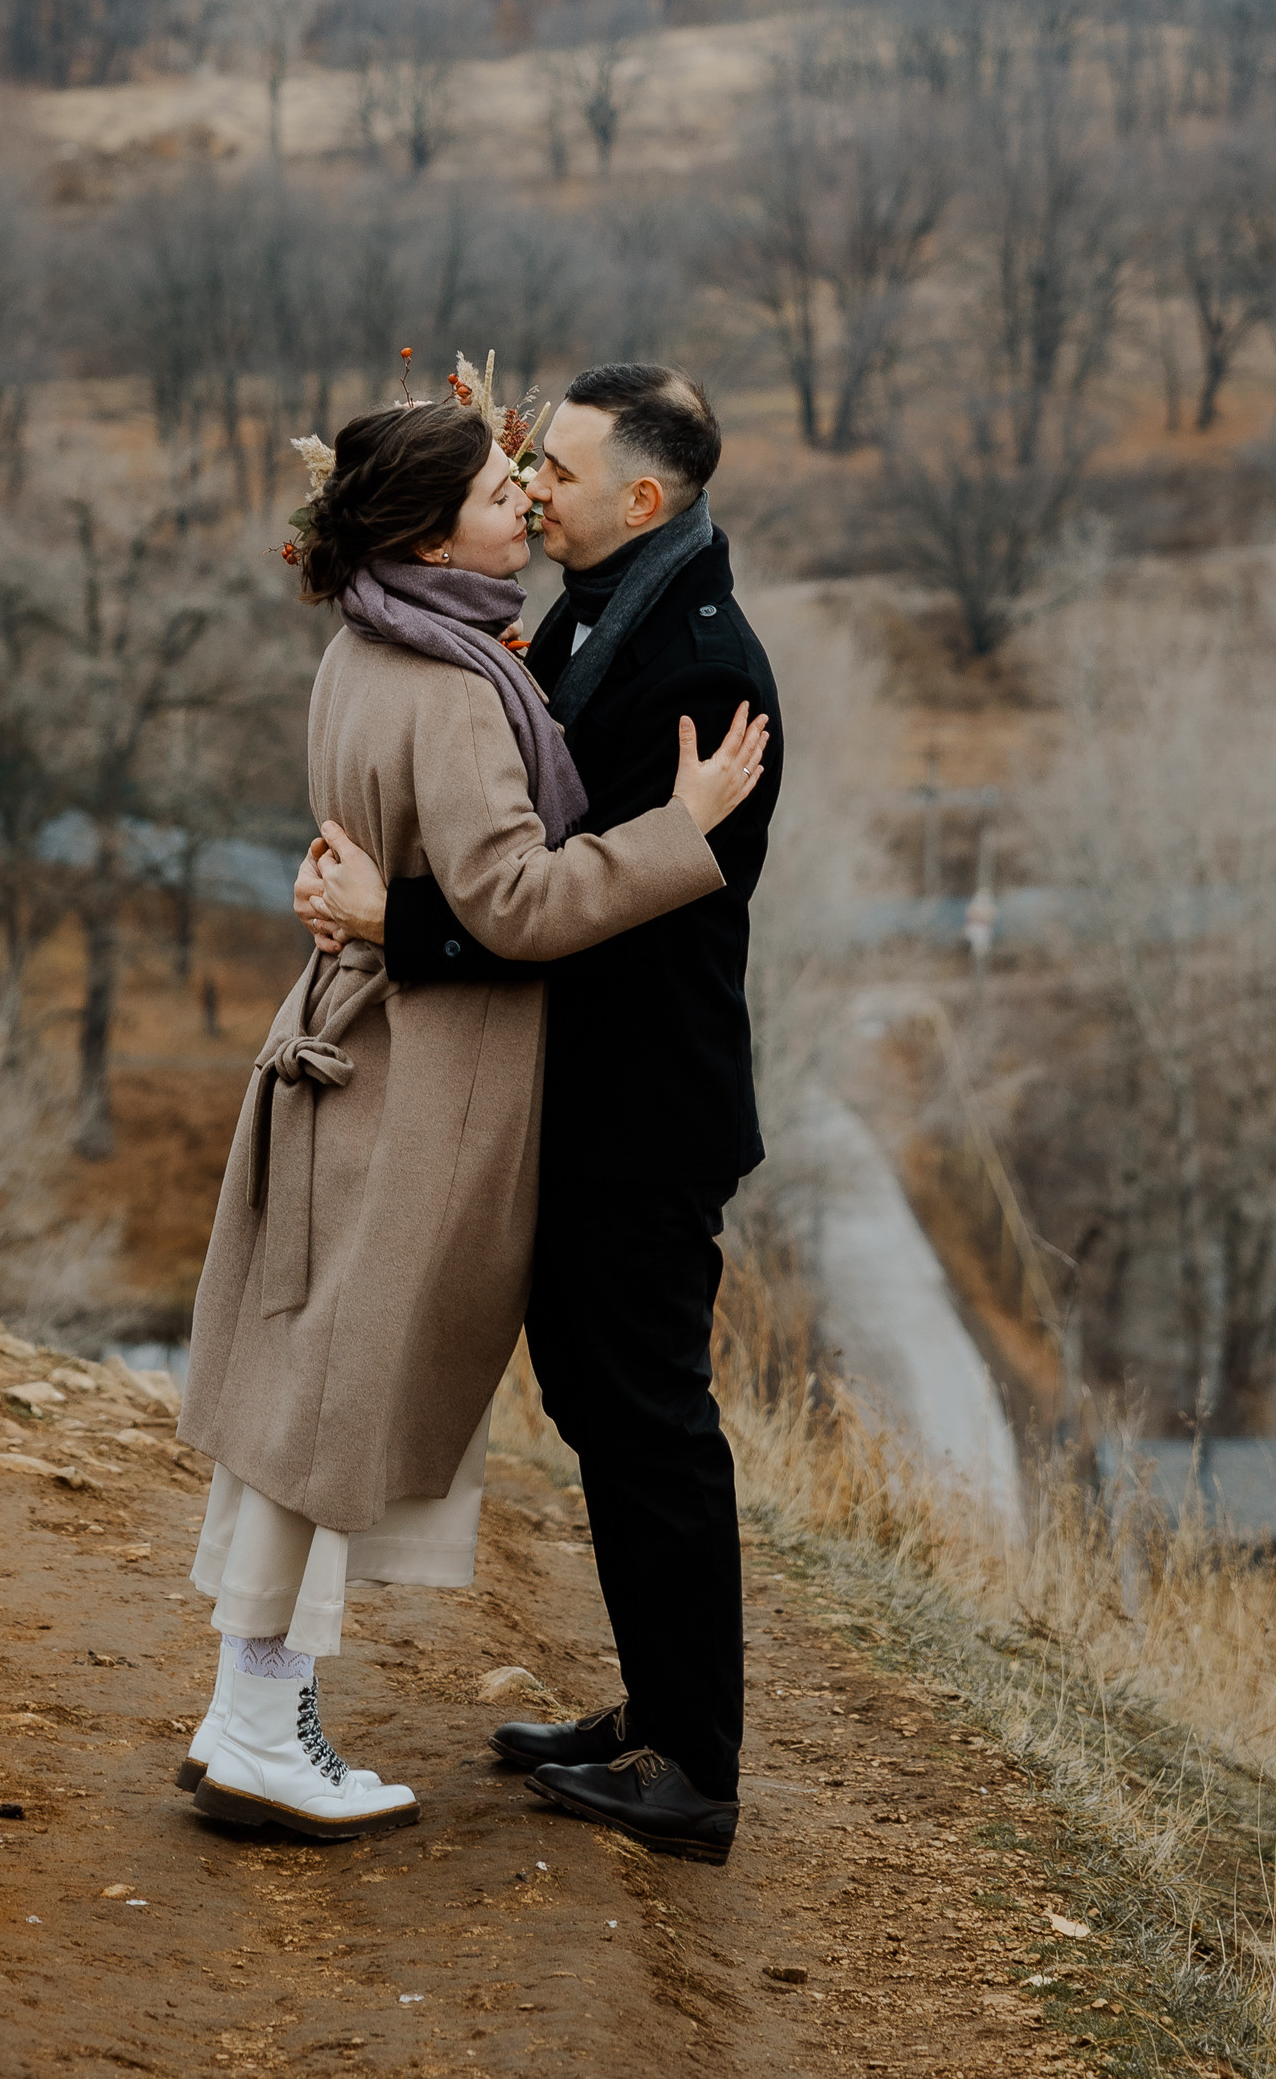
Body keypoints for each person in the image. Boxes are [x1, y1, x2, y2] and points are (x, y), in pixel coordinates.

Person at [176, 386, 769, 1843]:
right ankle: (265, 1720)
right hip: (418, 1080)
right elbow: (508, 890)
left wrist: (395, 914)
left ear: (639, 501)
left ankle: (679, 1755)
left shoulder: (444, 639)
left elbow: (511, 894)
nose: (527, 492)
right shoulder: (479, 651)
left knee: (612, 1422)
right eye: (507, 481)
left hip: (606, 1104)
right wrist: (651, 842)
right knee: (344, 1402)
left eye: (543, 473)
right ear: (428, 535)